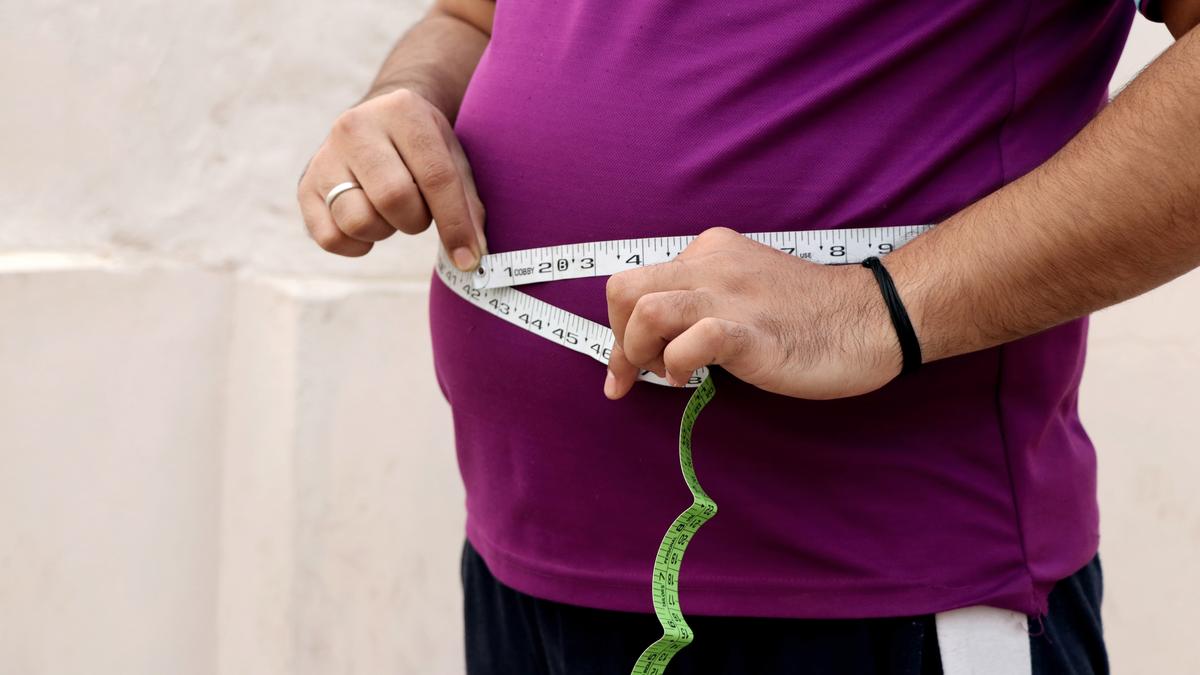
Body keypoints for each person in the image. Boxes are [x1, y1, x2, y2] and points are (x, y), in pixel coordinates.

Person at [297, 0, 1200, 672]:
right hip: (518, 571)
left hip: (874, 599)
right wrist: (407, 96)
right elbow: (473, 16)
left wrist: (877, 305)